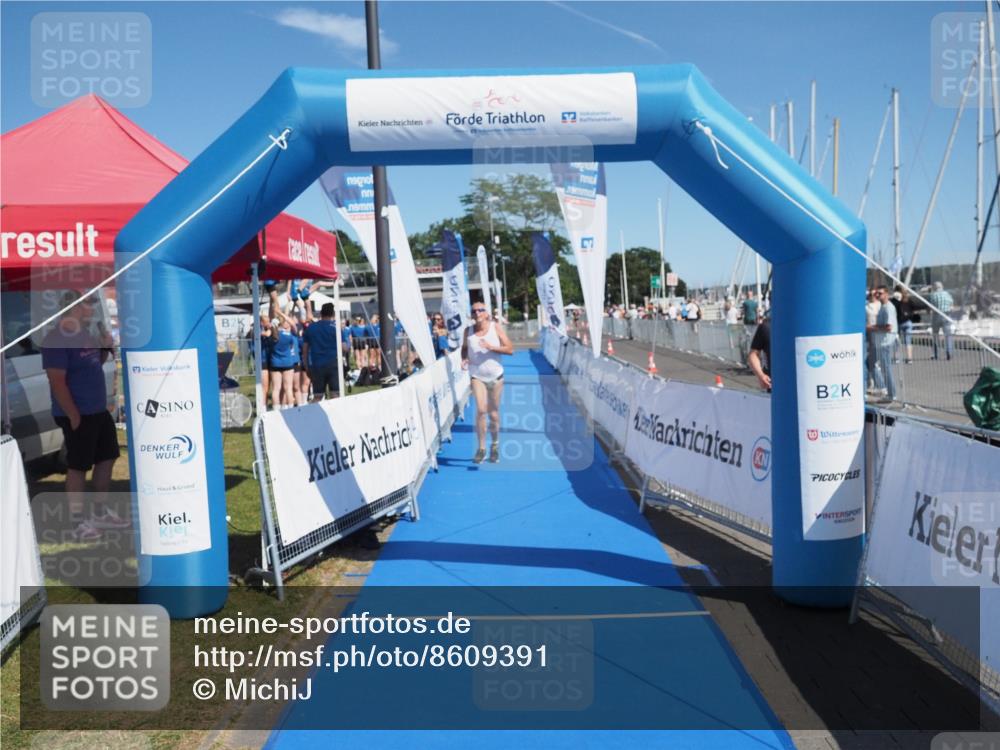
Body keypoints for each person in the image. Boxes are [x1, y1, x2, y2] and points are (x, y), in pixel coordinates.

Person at [42, 292, 128, 541]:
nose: (93, 307)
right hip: (78, 413)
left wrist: (104, 347)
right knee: (78, 466)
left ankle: (100, 512)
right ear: (75, 307)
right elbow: (56, 381)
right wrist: (73, 415)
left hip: (98, 410)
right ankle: (77, 522)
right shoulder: (56, 338)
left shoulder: (85, 334)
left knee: (108, 457)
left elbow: (94, 363)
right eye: (88, 303)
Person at [462, 301, 514, 464]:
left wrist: (491, 347)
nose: (477, 313)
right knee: (481, 410)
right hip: (477, 376)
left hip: (496, 376)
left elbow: (510, 349)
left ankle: (495, 445)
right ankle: (482, 448)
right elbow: (464, 348)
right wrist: (463, 358)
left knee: (493, 413)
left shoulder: (495, 327)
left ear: (486, 313)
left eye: (480, 310)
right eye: (474, 310)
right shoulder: (468, 331)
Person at [302, 303, 341, 401]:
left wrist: (306, 366)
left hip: (317, 365)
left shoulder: (311, 328)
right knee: (335, 395)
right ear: (332, 314)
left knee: (317, 396)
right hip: (333, 365)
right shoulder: (336, 328)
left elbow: (305, 350)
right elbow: (344, 347)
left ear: (321, 313)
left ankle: (314, 416)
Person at [268, 289, 300, 408]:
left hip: (275, 363)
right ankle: (289, 410)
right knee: (288, 388)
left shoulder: (273, 335)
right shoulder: (288, 336)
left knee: (276, 389)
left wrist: (275, 310)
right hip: (287, 363)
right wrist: (281, 313)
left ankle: (276, 410)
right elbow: (293, 325)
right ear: (283, 323)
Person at [869, 285, 898, 402]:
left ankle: (892, 394)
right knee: (870, 363)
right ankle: (882, 388)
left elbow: (889, 327)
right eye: (876, 293)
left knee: (886, 368)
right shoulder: (883, 306)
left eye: (880, 293)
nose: (877, 295)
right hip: (880, 342)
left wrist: (872, 327)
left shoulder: (888, 308)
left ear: (886, 294)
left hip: (886, 341)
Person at [891, 285, 922, 364]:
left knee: (896, 341)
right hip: (908, 321)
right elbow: (914, 307)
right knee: (908, 341)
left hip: (897, 322)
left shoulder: (895, 300)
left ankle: (896, 358)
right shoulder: (908, 299)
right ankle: (909, 358)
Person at [927, 281, 954, 361]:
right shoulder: (947, 294)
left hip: (936, 316)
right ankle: (949, 352)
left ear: (934, 287)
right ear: (942, 287)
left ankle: (935, 354)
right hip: (946, 315)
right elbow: (951, 304)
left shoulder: (933, 295)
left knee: (935, 336)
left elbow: (930, 307)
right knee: (948, 336)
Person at [747, 315, 771, 392]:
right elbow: (753, 354)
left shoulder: (806, 322)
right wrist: (761, 375)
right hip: (774, 385)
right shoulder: (766, 326)